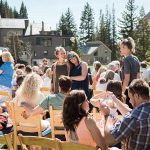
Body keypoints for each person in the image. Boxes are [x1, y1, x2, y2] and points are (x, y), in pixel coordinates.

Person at [100, 79, 150, 150]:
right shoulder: (141, 112)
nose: (129, 101)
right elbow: (130, 112)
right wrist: (114, 98)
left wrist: (107, 115)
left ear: (136, 96)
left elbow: (108, 140)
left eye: (130, 97)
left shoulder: (134, 117)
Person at [120, 37, 140, 108]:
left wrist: (122, 92)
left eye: (122, 47)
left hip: (128, 90)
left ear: (128, 48)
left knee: (128, 110)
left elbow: (126, 79)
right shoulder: (136, 58)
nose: (120, 49)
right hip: (135, 89)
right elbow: (138, 77)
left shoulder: (126, 59)